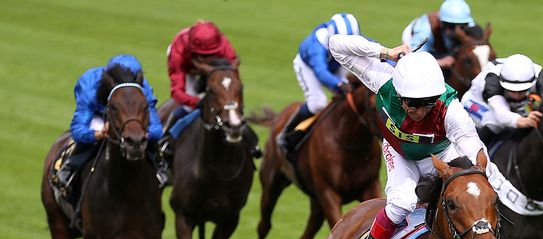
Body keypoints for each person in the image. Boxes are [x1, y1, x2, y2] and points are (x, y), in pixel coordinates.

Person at [328, 33, 498, 239]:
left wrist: (478, 170)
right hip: (400, 154)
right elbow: (336, 45)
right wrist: (384, 52)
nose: (419, 110)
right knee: (401, 203)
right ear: (399, 92)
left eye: (427, 103)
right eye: (413, 103)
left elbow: (470, 141)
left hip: (441, 154)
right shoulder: (383, 80)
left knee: (480, 193)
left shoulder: (449, 108)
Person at [55, 54, 165, 209]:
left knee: (142, 138)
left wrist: (144, 133)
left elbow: (157, 129)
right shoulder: (90, 86)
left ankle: (159, 168)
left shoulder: (142, 90)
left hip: (128, 116)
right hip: (100, 115)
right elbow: (78, 130)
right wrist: (97, 134)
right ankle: (68, 171)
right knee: (92, 138)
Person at [159, 21, 260, 165]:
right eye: (203, 56)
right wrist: (198, 102)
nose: (208, 60)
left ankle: (250, 140)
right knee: (189, 107)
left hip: (218, 71)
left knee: (228, 101)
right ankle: (166, 142)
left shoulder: (224, 47)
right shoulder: (179, 51)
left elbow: (234, 82)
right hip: (190, 69)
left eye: (212, 55)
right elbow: (177, 92)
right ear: (194, 51)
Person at [277, 13, 362, 156]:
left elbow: (372, 48)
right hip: (309, 66)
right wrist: (339, 84)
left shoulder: (348, 34)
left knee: (350, 97)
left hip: (335, 63)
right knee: (318, 103)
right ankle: (286, 133)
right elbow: (321, 71)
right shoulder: (316, 45)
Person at [461, 54, 543, 146]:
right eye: (512, 90)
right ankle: (473, 154)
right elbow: (501, 115)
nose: (516, 96)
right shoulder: (492, 80)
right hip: (475, 102)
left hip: (505, 102)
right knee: (495, 122)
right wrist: (525, 121)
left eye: (522, 91)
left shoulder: (539, 75)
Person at [401, 0, 476, 69]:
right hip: (418, 43)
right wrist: (441, 62)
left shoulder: (468, 25)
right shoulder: (425, 31)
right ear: (443, 24)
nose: (459, 32)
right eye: (453, 27)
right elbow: (415, 60)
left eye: (463, 27)